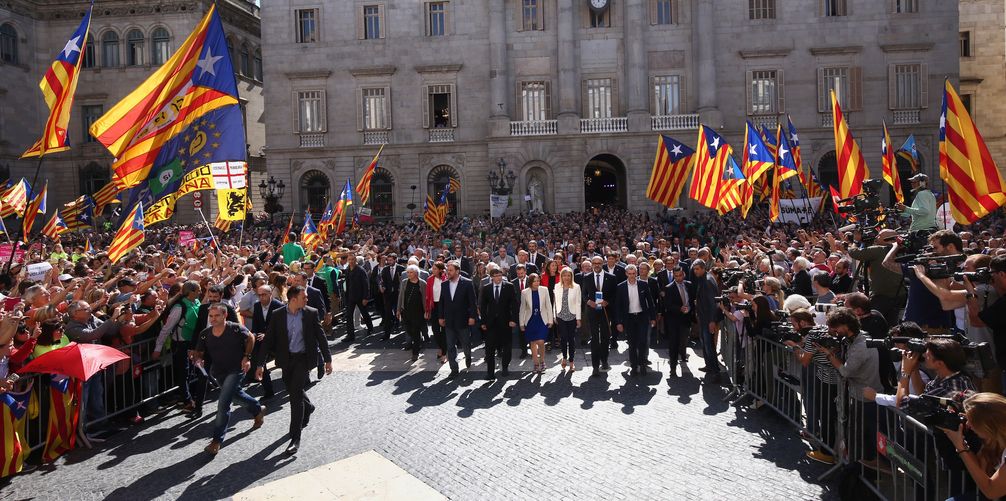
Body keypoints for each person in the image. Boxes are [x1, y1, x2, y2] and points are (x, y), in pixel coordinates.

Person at [254, 285, 332, 456]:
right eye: (304, 297)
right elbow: (268, 341)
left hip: (303, 359)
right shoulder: (278, 315)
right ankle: (309, 406)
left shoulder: (311, 313)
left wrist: (327, 360)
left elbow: (321, 336)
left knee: (295, 397)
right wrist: (260, 364)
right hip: (285, 360)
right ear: (293, 299)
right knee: (291, 388)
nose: (307, 299)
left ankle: (294, 438)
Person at [191, 303, 264, 455]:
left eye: (217, 315)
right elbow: (198, 352)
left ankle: (216, 441)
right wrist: (198, 359)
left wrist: (247, 357)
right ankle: (257, 408)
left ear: (224, 315)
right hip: (218, 372)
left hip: (237, 369)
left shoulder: (235, 328)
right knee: (236, 396)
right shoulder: (205, 333)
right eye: (211, 316)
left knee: (223, 404)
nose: (213, 319)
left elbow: (251, 337)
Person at [940, 392, 1006, 500]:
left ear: (988, 425)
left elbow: (991, 491)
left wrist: (960, 448)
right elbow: (981, 468)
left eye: (971, 421)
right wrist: (961, 443)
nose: (968, 425)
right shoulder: (995, 440)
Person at [438, 261, 478, 380]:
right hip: (449, 321)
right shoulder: (444, 284)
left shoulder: (467, 283)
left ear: (457, 271)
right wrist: (440, 317)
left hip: (463, 320)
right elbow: (441, 302)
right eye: (447, 270)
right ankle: (454, 369)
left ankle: (468, 356)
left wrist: (472, 317)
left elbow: (472, 302)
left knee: (465, 344)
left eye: (450, 270)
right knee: (450, 346)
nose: (447, 272)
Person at [615, 264, 656, 377]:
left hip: (642, 317)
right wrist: (619, 322)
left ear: (636, 273)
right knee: (632, 344)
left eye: (634, 273)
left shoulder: (643, 284)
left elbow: (650, 302)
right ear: (626, 274)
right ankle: (634, 366)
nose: (632, 276)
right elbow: (618, 306)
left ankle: (642, 364)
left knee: (643, 342)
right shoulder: (620, 287)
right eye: (630, 274)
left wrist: (653, 317)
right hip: (629, 318)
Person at [479, 267, 517, 379]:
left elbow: (514, 304)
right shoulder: (486, 288)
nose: (498, 278)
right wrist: (483, 322)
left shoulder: (509, 287)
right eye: (496, 276)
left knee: (507, 347)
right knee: (489, 349)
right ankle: (490, 372)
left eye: (500, 275)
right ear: (491, 277)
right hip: (491, 324)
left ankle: (505, 367)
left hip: (506, 322)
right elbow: (483, 306)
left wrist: (513, 320)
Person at [582, 256, 616, 377]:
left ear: (603, 263)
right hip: (592, 311)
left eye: (599, 263)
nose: (596, 265)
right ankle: (595, 366)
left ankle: (605, 360)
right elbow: (584, 294)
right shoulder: (587, 277)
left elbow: (614, 294)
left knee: (606, 338)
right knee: (595, 339)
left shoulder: (611, 277)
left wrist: (608, 301)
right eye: (594, 263)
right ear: (591, 264)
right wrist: (588, 301)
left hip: (606, 312)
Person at [250, 285, 283, 399]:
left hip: (277, 340)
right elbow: (255, 325)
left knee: (285, 363)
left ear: (270, 294)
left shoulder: (279, 306)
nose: (261, 297)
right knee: (258, 360)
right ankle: (268, 390)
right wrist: (253, 335)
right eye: (259, 295)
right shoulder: (257, 306)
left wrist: (267, 335)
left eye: (264, 294)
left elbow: (281, 327)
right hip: (261, 340)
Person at [692, 259, 721, 383]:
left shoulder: (708, 281)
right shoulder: (703, 278)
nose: (695, 271)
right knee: (705, 344)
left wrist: (712, 321)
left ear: (703, 268)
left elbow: (713, 303)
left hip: (708, 319)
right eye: (694, 269)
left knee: (709, 346)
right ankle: (709, 366)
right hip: (703, 318)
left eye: (697, 269)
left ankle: (715, 371)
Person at [663, 266, 694, 377]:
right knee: (673, 344)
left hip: (686, 319)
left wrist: (691, 311)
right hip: (674, 320)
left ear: (683, 274)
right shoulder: (669, 288)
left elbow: (692, 299)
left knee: (684, 340)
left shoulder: (689, 285)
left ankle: (683, 354)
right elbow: (667, 305)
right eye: (676, 276)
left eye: (680, 275)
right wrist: (679, 309)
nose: (678, 278)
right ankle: (673, 367)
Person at [519, 273, 553, 374]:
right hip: (530, 320)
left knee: (541, 342)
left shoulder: (544, 290)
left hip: (542, 319)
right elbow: (522, 309)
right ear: (530, 282)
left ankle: (542, 361)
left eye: (538, 280)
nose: (537, 283)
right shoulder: (525, 292)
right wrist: (521, 323)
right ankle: (536, 363)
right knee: (533, 343)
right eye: (534, 281)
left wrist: (550, 320)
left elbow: (549, 305)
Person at [552, 266, 581, 372]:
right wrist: (554, 315)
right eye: (564, 275)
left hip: (572, 315)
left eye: (568, 275)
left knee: (571, 339)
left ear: (571, 276)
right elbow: (555, 302)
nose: (566, 277)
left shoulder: (576, 287)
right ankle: (564, 357)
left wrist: (578, 318)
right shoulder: (557, 286)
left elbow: (578, 303)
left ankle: (572, 361)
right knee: (563, 338)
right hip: (561, 316)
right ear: (561, 276)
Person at [397, 264, 428, 362]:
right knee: (409, 330)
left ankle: (415, 352)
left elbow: (425, 298)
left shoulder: (422, 283)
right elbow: (400, 296)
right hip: (406, 311)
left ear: (416, 273)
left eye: (411, 272)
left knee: (415, 332)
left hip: (418, 312)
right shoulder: (404, 282)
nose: (409, 274)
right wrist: (398, 309)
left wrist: (426, 311)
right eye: (408, 272)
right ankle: (417, 341)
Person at [343, 255, 374, 343]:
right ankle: (350, 335)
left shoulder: (360, 270)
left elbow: (365, 284)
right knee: (349, 316)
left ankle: (370, 328)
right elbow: (347, 284)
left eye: (353, 259)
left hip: (360, 297)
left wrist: (365, 297)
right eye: (349, 259)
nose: (351, 261)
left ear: (355, 260)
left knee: (364, 313)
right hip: (350, 297)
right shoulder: (347, 270)